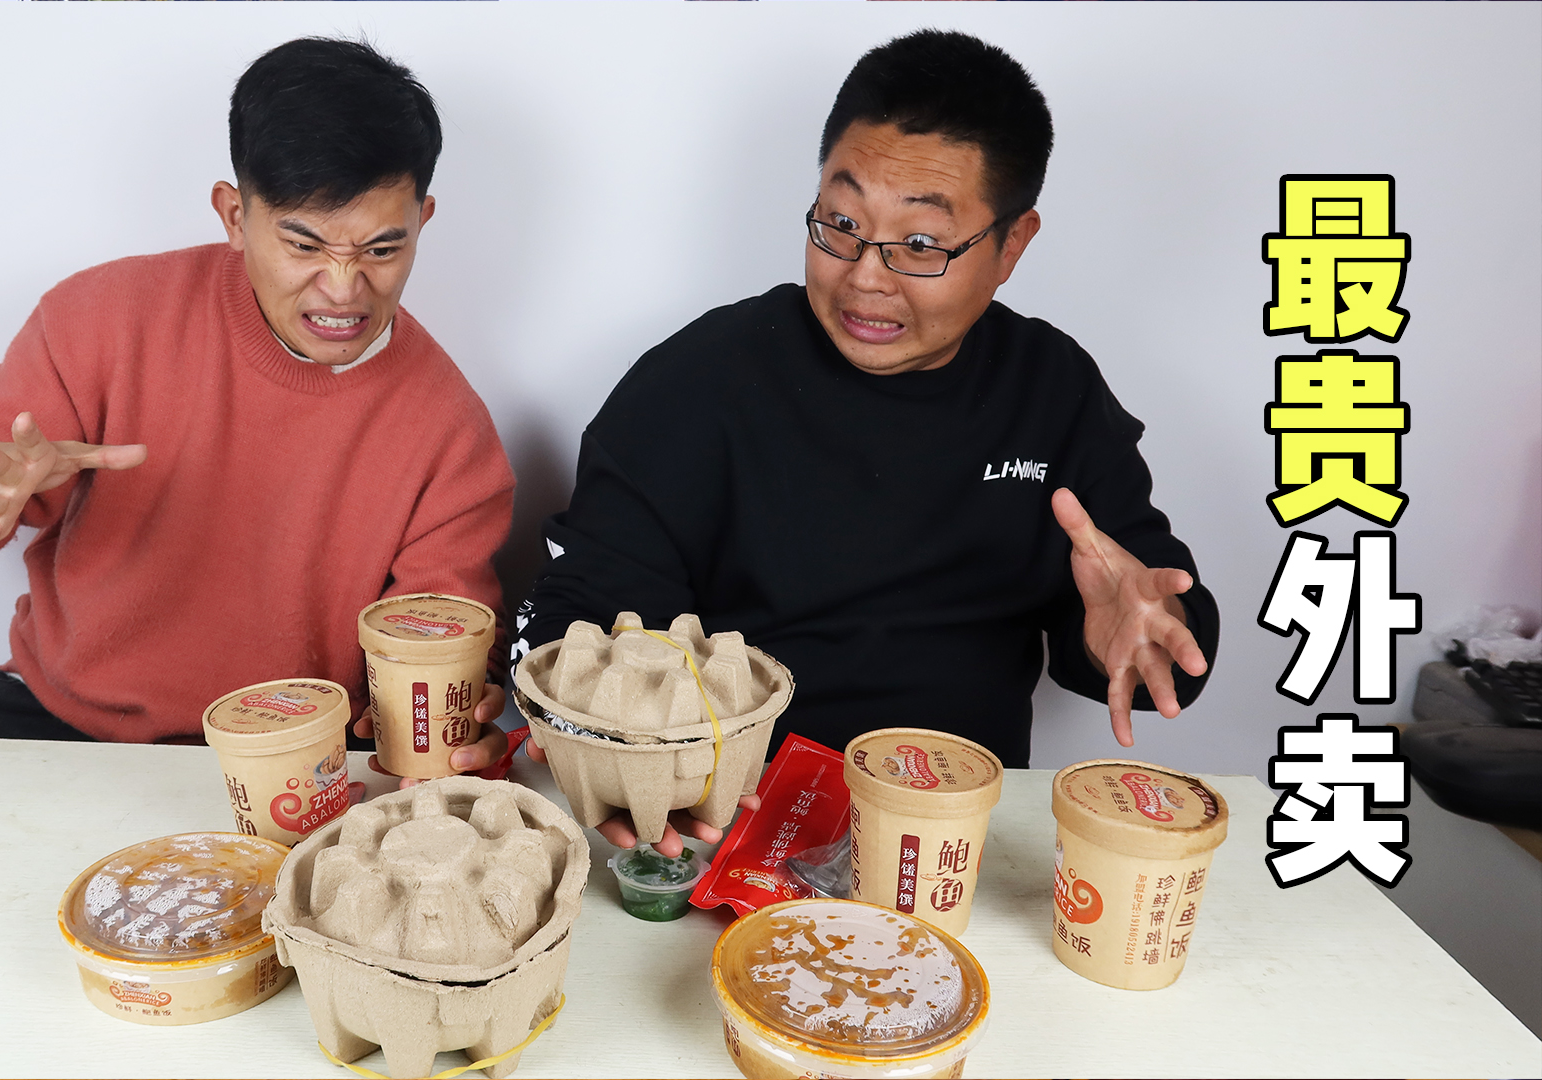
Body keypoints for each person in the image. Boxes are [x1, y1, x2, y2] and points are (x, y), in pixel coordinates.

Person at [520, 29, 1219, 851]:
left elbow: (1153, 615)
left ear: (1012, 245)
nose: (864, 276)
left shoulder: (1050, 387)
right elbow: (581, 613)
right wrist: (608, 751)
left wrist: (1129, 637)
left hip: (955, 835)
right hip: (726, 822)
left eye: (919, 244)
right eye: (841, 223)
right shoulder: (699, 382)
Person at [0, 38, 515, 776]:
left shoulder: (451, 431)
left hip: (300, 762)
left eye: (382, 251)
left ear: (423, 221)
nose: (343, 289)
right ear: (233, 214)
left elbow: (440, 658)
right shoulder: (105, 318)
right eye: (304, 245)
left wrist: (455, 729)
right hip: (58, 723)